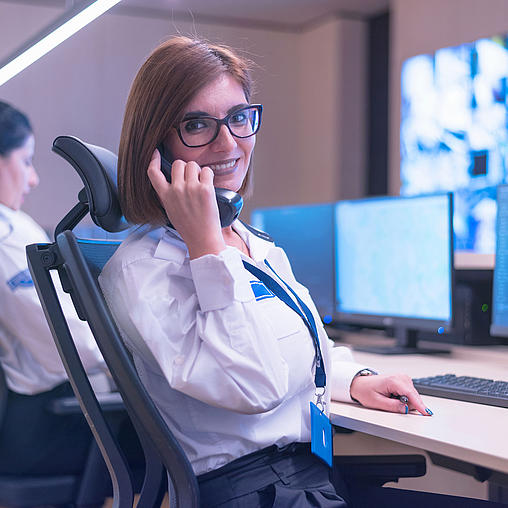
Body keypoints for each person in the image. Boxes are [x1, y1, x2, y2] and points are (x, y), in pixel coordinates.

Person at [99, 36, 502, 508]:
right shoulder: (144, 271)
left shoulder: (252, 244)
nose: (228, 142)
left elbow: (302, 352)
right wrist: (206, 246)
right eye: (196, 124)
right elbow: (256, 385)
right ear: (157, 146)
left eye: (239, 118)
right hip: (253, 492)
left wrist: (352, 380)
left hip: (307, 477)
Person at [0, 100, 143, 477]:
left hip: (27, 425)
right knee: (172, 445)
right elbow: (70, 346)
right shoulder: (6, 233)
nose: (32, 179)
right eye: (26, 161)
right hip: (42, 428)